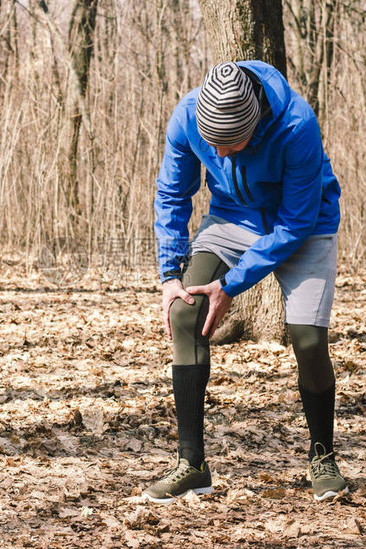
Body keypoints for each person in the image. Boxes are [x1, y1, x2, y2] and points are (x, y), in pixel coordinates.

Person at [143, 60, 345, 503]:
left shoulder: (296, 124)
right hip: (232, 220)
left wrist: (231, 284)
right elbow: (172, 194)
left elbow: (295, 223)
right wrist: (168, 274)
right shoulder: (186, 117)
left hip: (306, 226)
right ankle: (191, 464)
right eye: (216, 147)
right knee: (184, 313)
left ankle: (323, 456)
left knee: (308, 340)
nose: (226, 156)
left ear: (255, 127)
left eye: (233, 145)